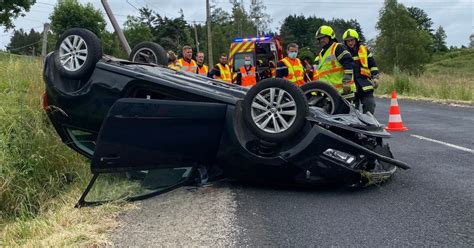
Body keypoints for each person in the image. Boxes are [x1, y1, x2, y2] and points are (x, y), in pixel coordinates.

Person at [343, 29, 379, 114]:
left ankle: (368, 124)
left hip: (364, 84)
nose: (350, 43)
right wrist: (345, 82)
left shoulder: (365, 50)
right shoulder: (342, 53)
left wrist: (375, 77)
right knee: (353, 111)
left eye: (352, 40)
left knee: (370, 105)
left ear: (356, 40)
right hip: (350, 86)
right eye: (348, 41)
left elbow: (373, 65)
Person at [313, 25, 355, 99]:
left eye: (324, 37)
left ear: (330, 37)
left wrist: (347, 81)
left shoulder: (338, 47)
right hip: (329, 94)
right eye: (320, 38)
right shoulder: (321, 53)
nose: (321, 40)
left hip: (343, 93)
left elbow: (349, 64)